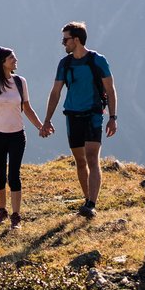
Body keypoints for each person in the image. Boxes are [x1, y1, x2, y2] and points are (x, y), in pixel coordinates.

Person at [40, 22, 118, 218]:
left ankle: (91, 204)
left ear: (76, 40)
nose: (63, 43)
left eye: (65, 39)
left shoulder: (97, 60)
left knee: (92, 158)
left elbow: (110, 90)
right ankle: (87, 200)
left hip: (93, 114)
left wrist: (112, 117)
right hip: (72, 115)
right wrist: (47, 120)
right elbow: (55, 92)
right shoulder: (64, 64)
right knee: (80, 161)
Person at [0, 46, 44, 230]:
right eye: (12, 58)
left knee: (14, 175)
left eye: (15, 57)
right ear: (2, 62)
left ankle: (16, 216)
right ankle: (2, 211)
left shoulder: (20, 82)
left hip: (17, 136)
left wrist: (41, 126)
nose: (15, 60)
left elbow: (27, 108)